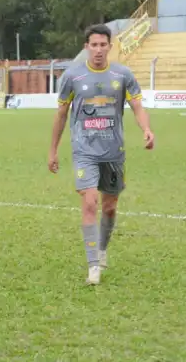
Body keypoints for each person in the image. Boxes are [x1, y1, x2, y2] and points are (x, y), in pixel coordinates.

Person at [48, 23, 155, 286]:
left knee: (109, 206)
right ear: (86, 47)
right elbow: (61, 114)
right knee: (89, 203)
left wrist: (147, 129)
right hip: (84, 150)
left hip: (113, 151)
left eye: (102, 45)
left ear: (110, 46)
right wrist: (52, 150)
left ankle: (102, 249)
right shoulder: (73, 77)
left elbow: (137, 106)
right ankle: (93, 265)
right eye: (93, 45)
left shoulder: (123, 75)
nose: (98, 50)